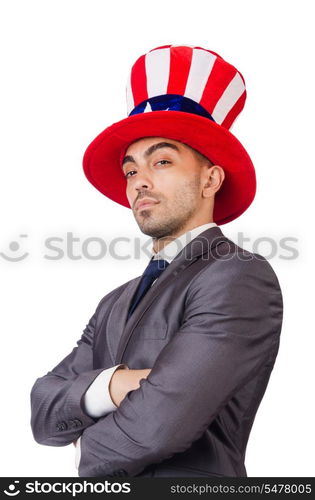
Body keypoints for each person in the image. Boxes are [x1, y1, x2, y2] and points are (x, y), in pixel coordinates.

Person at [30, 45, 283, 477]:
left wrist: (84, 444)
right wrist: (114, 385)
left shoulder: (237, 276)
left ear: (210, 178)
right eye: (131, 170)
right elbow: (42, 411)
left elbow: (157, 429)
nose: (139, 181)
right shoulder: (115, 300)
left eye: (162, 161)